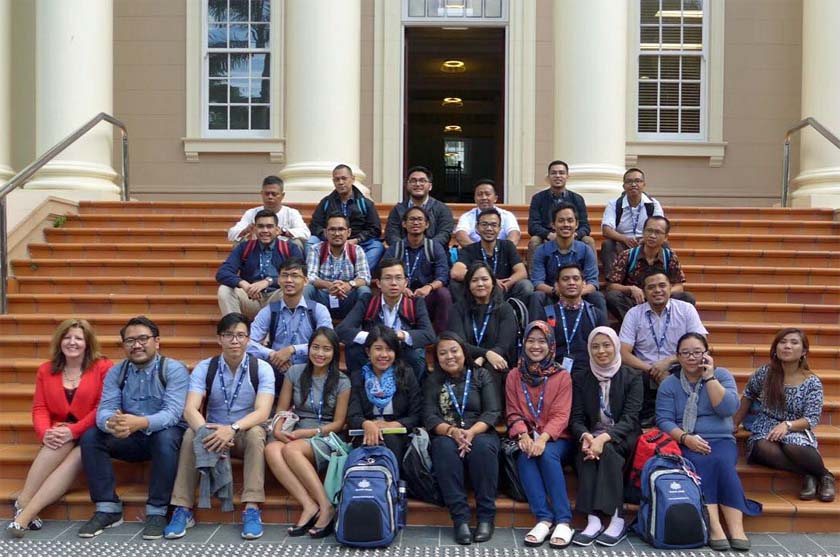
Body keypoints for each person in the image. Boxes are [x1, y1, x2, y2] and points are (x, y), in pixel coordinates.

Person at [163, 313, 275, 540]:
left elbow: (262, 412)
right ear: (219, 339)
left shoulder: (262, 368)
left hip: (243, 432)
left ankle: (252, 507)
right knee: (189, 434)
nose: (235, 340)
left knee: (256, 433)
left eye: (240, 335)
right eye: (229, 335)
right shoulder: (206, 368)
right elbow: (190, 409)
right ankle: (182, 509)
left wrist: (232, 429)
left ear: (248, 339)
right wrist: (206, 433)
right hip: (212, 433)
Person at [78, 316, 189, 539]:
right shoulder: (117, 372)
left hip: (163, 436)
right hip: (130, 435)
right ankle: (107, 508)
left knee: (166, 437)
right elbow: (105, 408)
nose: (136, 345)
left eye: (142, 339)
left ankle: (158, 511)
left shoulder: (174, 369)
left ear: (156, 342)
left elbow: (172, 413)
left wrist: (139, 422)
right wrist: (112, 424)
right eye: (130, 341)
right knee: (91, 437)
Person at [656, 333, 762, 552]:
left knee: (722, 463)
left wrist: (709, 378)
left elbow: (728, 409)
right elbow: (664, 420)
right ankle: (715, 527)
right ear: (678, 356)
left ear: (707, 353)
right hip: (687, 440)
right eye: (685, 353)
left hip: (721, 439)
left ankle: (736, 529)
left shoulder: (721, 376)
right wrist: (686, 438)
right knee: (700, 463)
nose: (691, 357)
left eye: (697, 352)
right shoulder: (670, 384)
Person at [7, 319, 113, 537]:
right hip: (60, 431)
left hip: (93, 432)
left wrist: (74, 431)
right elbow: (40, 408)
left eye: (78, 338)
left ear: (87, 343)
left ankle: (25, 513)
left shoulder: (103, 367)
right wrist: (45, 432)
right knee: (56, 440)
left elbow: (103, 406)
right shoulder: (46, 370)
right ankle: (25, 501)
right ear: (59, 340)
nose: (72, 342)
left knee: (79, 451)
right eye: (67, 337)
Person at [264, 327, 351, 538]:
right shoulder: (295, 372)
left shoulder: (342, 381)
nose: (320, 354)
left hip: (325, 435)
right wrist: (277, 427)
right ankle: (308, 504)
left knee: (292, 450)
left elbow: (339, 423)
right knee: (272, 449)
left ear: (334, 353)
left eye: (326, 349)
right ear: (309, 349)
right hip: (297, 430)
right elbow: (282, 409)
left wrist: (309, 433)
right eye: (316, 347)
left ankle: (326, 506)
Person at [733, 328, 834, 502]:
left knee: (793, 445)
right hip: (765, 425)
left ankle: (825, 476)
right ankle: (811, 473)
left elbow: (811, 419)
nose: (787, 346)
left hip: (796, 427)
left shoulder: (812, 382)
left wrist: (787, 425)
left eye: (794, 343)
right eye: (783, 342)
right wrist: (734, 423)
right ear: (775, 348)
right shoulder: (765, 373)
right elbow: (748, 395)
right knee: (762, 447)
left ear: (803, 352)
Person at [424, 332, 500, 545]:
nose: (449, 356)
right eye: (443, 353)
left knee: (483, 448)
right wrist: (452, 431)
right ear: (437, 358)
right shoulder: (433, 380)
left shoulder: (480, 375)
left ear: (464, 352)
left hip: (480, 431)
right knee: (443, 449)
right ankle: (460, 520)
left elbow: (492, 411)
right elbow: (429, 416)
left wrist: (471, 432)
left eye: (454, 350)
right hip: (448, 433)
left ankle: (486, 518)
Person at [569, 327, 642, 547]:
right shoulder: (582, 377)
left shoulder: (632, 376)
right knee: (586, 453)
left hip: (623, 435)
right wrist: (586, 436)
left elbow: (630, 419)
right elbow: (576, 418)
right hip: (592, 434)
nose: (601, 351)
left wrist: (603, 439)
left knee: (608, 451)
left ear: (616, 346)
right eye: (595, 346)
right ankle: (593, 520)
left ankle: (617, 518)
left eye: (606, 345)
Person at [505, 321, 574, 549]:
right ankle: (543, 518)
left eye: (542, 341)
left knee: (545, 455)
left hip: (558, 439)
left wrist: (542, 439)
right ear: (523, 343)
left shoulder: (561, 376)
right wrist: (523, 436)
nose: (536, 346)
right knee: (525, 455)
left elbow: (561, 416)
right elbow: (513, 411)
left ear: (551, 344)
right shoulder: (515, 375)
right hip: (528, 436)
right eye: (531, 341)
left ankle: (564, 520)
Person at [620, 268, 707, 427]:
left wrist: (669, 361)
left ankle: (685, 417)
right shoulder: (634, 314)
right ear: (644, 292)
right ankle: (644, 418)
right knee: (629, 374)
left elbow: (701, 344)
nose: (657, 290)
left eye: (662, 285)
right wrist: (652, 369)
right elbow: (623, 353)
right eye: (651, 287)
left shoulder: (686, 309)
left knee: (697, 367)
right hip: (644, 370)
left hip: (678, 365)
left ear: (670, 288)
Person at [336, 257, 436, 383]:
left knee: (416, 356)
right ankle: (359, 390)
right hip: (373, 352)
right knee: (353, 351)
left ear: (405, 282)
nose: (393, 283)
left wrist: (401, 335)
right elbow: (342, 330)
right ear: (378, 283)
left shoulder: (415, 303)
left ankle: (411, 394)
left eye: (398, 278)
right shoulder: (367, 301)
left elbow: (429, 335)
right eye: (388, 278)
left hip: (402, 351)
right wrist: (373, 338)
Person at [347, 325, 424, 463]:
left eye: (389, 349)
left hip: (399, 436)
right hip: (366, 434)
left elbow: (416, 416)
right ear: (367, 351)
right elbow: (353, 416)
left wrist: (393, 425)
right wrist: (367, 424)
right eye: (378, 349)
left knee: (390, 440)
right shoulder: (358, 376)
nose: (384, 355)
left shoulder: (406, 374)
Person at [246, 257, 333, 372]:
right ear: (278, 280)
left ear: (306, 281)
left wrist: (293, 350)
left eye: (295, 276)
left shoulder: (318, 310)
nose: (289, 280)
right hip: (277, 368)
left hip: (310, 369)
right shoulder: (269, 311)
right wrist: (273, 354)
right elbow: (247, 342)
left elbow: (327, 343)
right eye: (284, 275)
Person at [216, 208, 303, 319]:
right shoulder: (245, 247)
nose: (265, 230)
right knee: (225, 290)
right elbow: (223, 272)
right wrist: (244, 284)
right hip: (251, 299)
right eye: (261, 226)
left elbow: (298, 275)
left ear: (277, 230)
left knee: (292, 288)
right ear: (254, 229)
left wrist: (268, 281)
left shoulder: (289, 248)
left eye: (269, 226)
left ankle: (283, 332)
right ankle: (235, 329)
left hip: (276, 297)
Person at [605, 215, 695, 321]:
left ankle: (665, 324)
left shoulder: (669, 256)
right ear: (643, 232)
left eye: (657, 232)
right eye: (649, 231)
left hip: (661, 301)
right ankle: (637, 323)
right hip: (636, 302)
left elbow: (679, 286)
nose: (652, 235)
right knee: (613, 297)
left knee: (687, 298)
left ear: (666, 237)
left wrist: (662, 292)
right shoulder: (628, 255)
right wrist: (630, 289)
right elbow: (612, 286)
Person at [384, 205, 452, 333]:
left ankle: (441, 336)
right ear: (404, 224)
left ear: (427, 224)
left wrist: (429, 287)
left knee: (443, 294)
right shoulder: (396, 248)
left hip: (426, 296)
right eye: (412, 219)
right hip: (401, 295)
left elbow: (443, 276)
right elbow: (384, 272)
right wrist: (401, 288)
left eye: (420, 219)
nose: (416, 222)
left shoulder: (435, 247)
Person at [448, 262, 518, 386]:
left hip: (497, 361)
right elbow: (459, 343)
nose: (480, 284)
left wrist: (483, 358)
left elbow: (504, 345)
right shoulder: (458, 309)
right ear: (468, 285)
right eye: (474, 280)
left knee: (492, 368)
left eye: (484, 279)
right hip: (465, 360)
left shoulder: (504, 308)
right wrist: (486, 353)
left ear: (493, 283)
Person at [531, 203, 607, 317]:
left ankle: (603, 333)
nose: (566, 224)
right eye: (561, 221)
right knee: (537, 296)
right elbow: (537, 282)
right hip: (553, 295)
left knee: (597, 296)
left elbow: (593, 282)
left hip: (580, 295)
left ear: (576, 224)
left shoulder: (585, 250)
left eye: (570, 220)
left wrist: (575, 293)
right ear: (553, 224)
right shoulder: (542, 251)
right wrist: (557, 291)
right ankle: (535, 332)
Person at [531, 264, 607, 375]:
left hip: (590, 374)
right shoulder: (547, 314)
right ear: (557, 285)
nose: (571, 282)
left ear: (584, 284)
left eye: (576, 278)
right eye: (565, 279)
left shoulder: (596, 314)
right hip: (554, 373)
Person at [308, 164, 384, 270]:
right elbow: (315, 226)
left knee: (377, 247)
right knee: (311, 241)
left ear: (352, 179)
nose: (340, 182)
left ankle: (358, 274)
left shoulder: (365, 204)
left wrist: (357, 240)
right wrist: (329, 237)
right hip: (331, 241)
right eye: (337, 179)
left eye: (344, 178)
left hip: (357, 242)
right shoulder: (326, 202)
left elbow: (375, 229)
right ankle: (317, 273)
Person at [450, 207, 533, 306]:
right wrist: (490, 281)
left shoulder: (507, 246)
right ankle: (468, 316)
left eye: (494, 225)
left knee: (526, 285)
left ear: (499, 229)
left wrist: (506, 284)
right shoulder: (470, 249)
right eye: (484, 224)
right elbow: (456, 272)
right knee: (455, 285)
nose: (489, 229)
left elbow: (522, 272)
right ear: (477, 228)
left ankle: (513, 315)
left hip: (504, 290)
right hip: (478, 292)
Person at [527, 160, 595, 268]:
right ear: (548, 177)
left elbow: (585, 227)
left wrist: (574, 235)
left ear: (567, 176)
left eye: (561, 173)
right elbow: (533, 226)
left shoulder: (577, 199)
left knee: (588, 240)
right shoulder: (538, 198)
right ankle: (534, 280)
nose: (558, 176)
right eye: (554, 173)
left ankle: (590, 278)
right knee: (534, 241)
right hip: (548, 236)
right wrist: (549, 235)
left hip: (572, 235)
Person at [304, 212, 372, 319]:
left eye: (341, 229)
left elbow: (365, 278)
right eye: (332, 229)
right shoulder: (316, 249)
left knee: (364, 291)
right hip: (323, 298)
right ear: (325, 232)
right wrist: (329, 285)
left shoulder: (356, 250)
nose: (337, 233)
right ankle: (308, 326)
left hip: (347, 297)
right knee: (307, 289)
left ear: (348, 232)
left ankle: (357, 325)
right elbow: (310, 277)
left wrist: (349, 285)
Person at [600, 168, 665, 277]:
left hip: (646, 241)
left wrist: (645, 239)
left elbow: (660, 229)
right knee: (607, 244)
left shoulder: (653, 204)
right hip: (622, 241)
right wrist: (624, 239)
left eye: (637, 181)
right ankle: (612, 280)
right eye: (629, 182)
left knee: (664, 244)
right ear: (624, 186)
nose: (633, 184)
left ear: (644, 184)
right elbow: (606, 230)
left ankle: (660, 277)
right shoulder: (614, 204)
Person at [227, 175, 310, 252]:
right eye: (267, 193)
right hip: (256, 250)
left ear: (282, 195)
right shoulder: (251, 213)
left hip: (283, 251)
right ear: (262, 194)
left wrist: (283, 232)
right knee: (238, 243)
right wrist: (246, 231)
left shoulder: (291, 213)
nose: (270, 197)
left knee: (297, 242)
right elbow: (231, 233)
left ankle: (294, 268)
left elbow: (306, 233)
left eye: (274, 194)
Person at [384, 166, 455, 250]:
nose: (417, 184)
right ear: (407, 185)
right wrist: (406, 248)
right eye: (413, 181)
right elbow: (391, 234)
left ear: (430, 186)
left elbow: (444, 234)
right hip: (403, 252)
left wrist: (426, 248)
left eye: (422, 181)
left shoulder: (442, 209)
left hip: (433, 253)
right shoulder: (398, 209)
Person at [453, 179, 521, 248]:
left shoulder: (507, 216)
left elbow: (514, 235)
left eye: (487, 194)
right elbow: (460, 235)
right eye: (479, 194)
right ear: (475, 198)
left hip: (502, 255)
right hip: (474, 255)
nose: (484, 198)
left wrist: (502, 252)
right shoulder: (466, 217)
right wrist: (478, 252)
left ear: (495, 198)